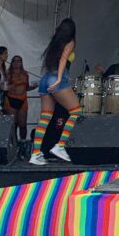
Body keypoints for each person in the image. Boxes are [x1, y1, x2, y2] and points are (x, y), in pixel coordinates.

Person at [29, 18, 83, 165]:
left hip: (45, 79)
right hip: (56, 78)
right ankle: (60, 145)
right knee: (76, 112)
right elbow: (63, 59)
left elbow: (55, 62)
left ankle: (36, 153)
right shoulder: (70, 41)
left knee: (45, 117)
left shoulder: (55, 42)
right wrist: (59, 79)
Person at [4, 55, 36, 141]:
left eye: (18, 61)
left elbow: (26, 87)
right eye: (14, 61)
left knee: (23, 125)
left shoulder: (25, 74)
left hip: (23, 100)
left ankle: (23, 143)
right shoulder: (8, 73)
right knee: (13, 125)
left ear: (21, 63)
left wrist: (33, 87)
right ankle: (13, 144)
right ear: (12, 62)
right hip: (11, 99)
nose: (16, 63)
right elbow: (4, 87)